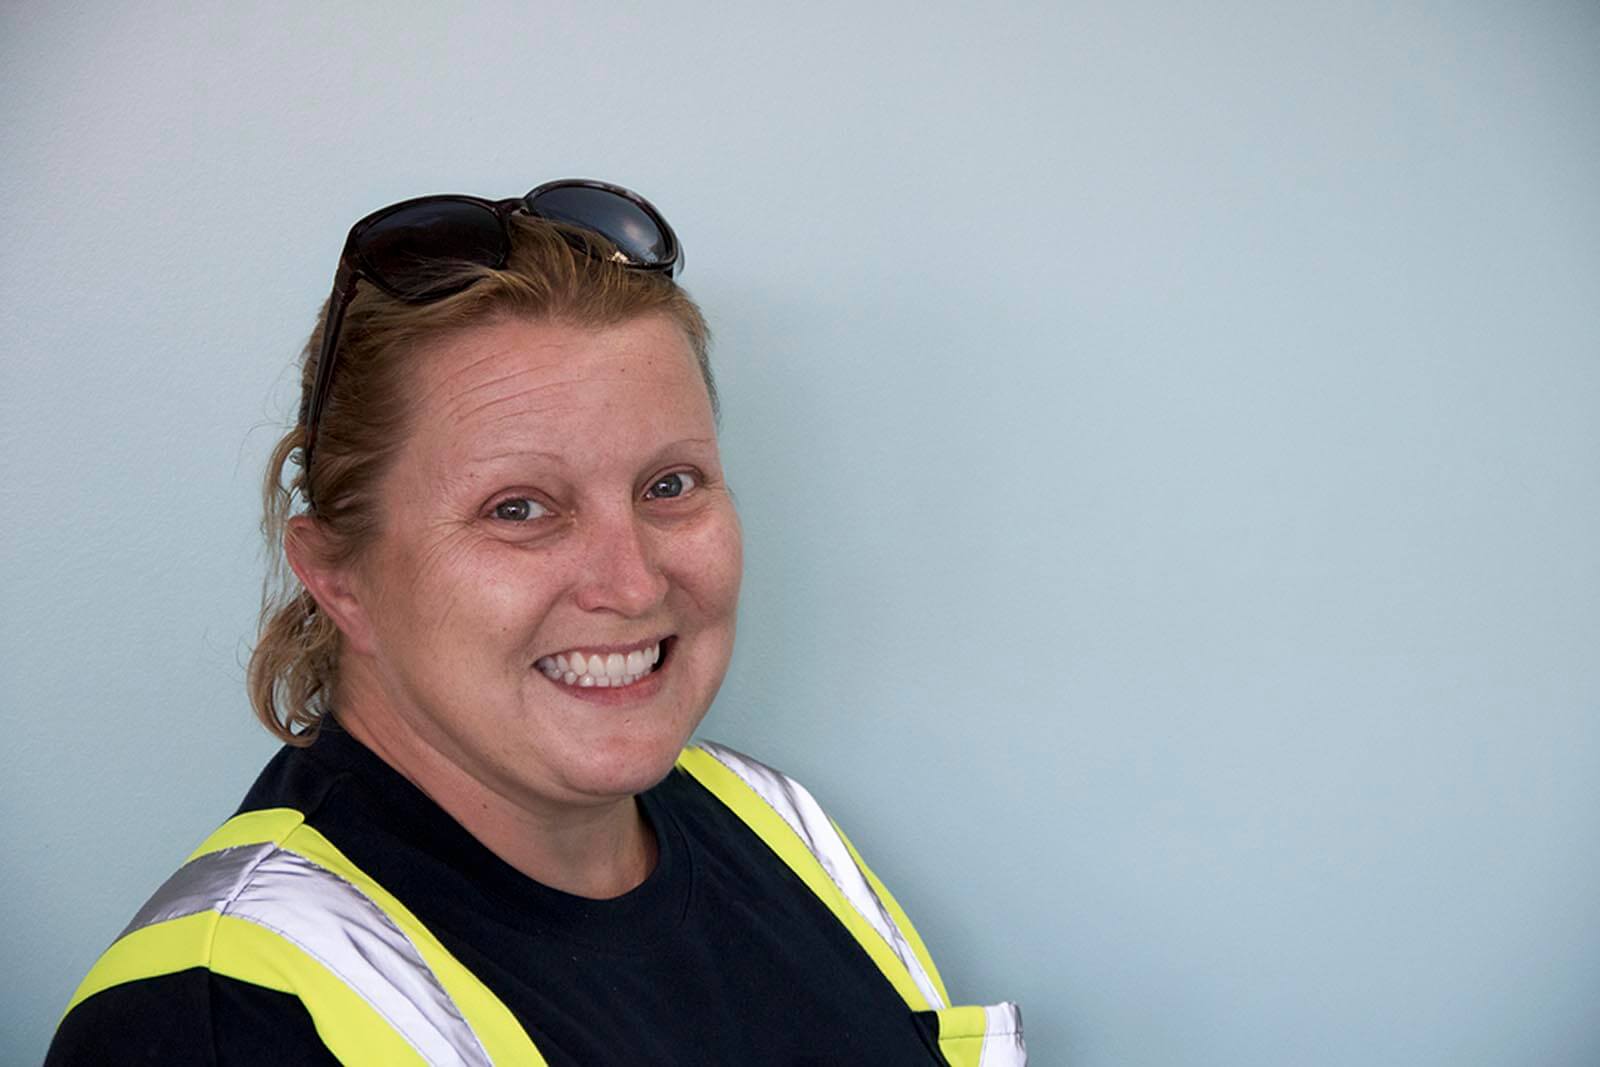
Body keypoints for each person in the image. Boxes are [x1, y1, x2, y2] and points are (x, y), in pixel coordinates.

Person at [46, 180, 1026, 1066]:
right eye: (519, 507)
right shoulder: (226, 1016)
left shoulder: (774, 826)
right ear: (339, 575)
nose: (631, 582)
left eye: (668, 485)